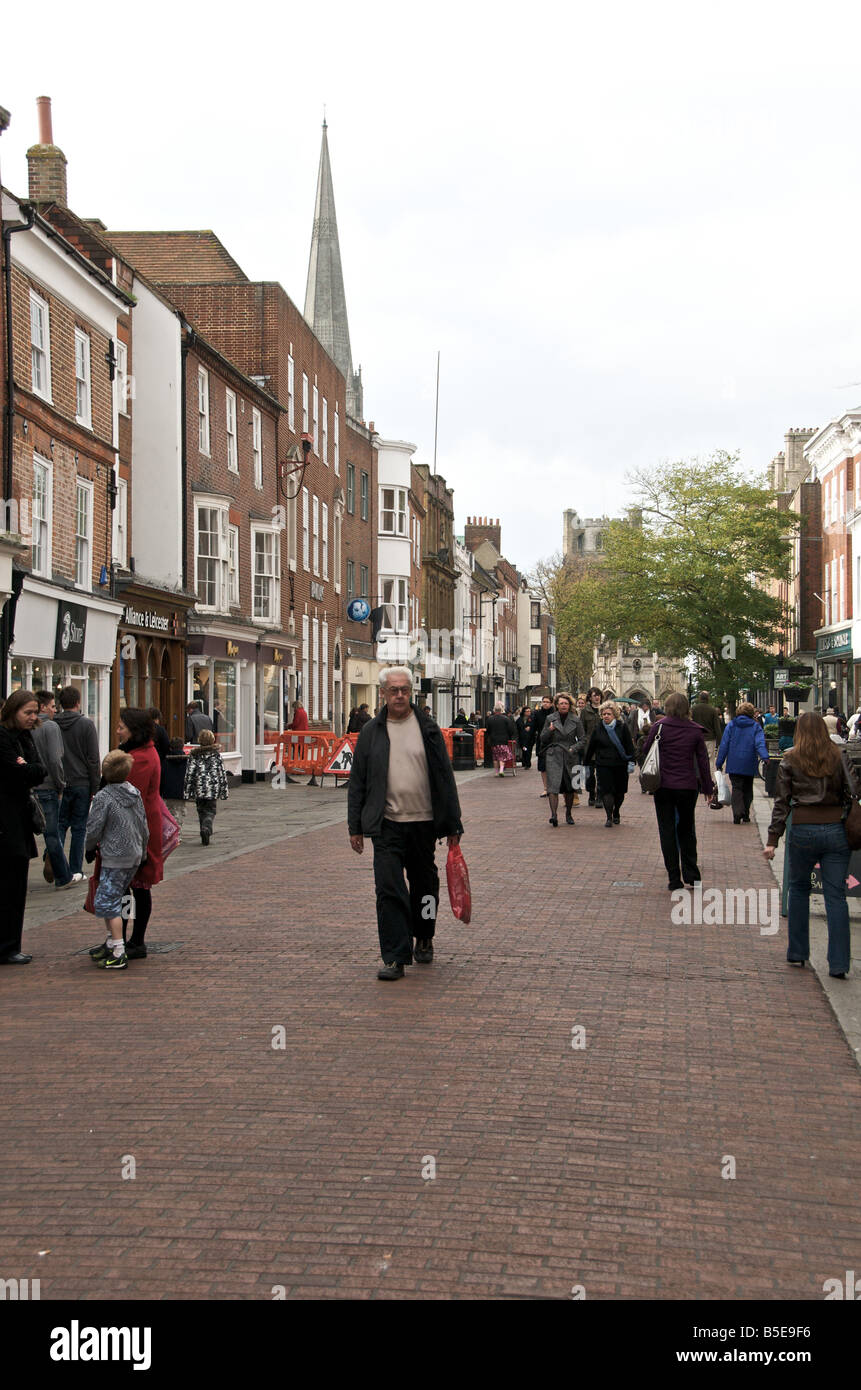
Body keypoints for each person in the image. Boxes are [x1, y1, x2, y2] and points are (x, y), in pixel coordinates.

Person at [347, 666, 463, 980]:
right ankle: (395, 957)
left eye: (404, 690)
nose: (399, 695)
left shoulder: (427, 728)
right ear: (383, 693)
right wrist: (355, 826)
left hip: (424, 823)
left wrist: (453, 825)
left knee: (425, 887)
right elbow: (358, 782)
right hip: (386, 824)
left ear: (410, 692)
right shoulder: (372, 731)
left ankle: (425, 934)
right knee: (389, 889)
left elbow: (444, 778)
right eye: (393, 690)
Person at [763, 711, 859, 978]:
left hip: (803, 829)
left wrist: (773, 840)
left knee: (799, 889)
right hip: (836, 831)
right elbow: (855, 790)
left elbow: (781, 802)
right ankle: (839, 963)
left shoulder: (791, 757)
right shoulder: (839, 754)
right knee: (836, 897)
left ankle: (797, 951)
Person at [640, 692, 714, 890]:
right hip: (687, 787)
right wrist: (708, 788)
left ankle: (674, 878)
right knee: (687, 830)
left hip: (663, 786)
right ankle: (692, 874)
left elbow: (646, 750)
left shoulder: (659, 727)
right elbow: (703, 763)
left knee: (667, 830)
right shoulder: (695, 731)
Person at [86, 751, 150, 972]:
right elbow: (143, 824)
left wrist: (88, 847)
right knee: (123, 896)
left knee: (106, 901)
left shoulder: (103, 797)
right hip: (133, 854)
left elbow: (94, 826)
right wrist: (142, 851)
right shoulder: (134, 793)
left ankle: (118, 950)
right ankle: (114, 940)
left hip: (114, 855)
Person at [116, 708, 164, 960]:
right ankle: (125, 938)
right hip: (138, 828)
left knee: (133, 888)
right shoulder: (137, 753)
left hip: (136, 830)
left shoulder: (140, 758)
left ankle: (132, 940)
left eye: (122, 726)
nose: (118, 730)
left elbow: (129, 798)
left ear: (134, 729)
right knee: (134, 887)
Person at [0, 690, 44, 964]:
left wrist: (27, 768)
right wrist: (26, 768)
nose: (32, 717)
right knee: (6, 884)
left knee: (17, 884)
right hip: (5, 823)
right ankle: (5, 946)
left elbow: (39, 769)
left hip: (20, 820)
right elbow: (17, 772)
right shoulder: (3, 738)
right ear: (13, 711)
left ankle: (12, 944)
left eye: (35, 712)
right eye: (27, 712)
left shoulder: (25, 738)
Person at [31, 689, 78, 889]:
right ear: (42, 707)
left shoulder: (26, 727)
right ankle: (63, 876)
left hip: (29, 787)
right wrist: (60, 784)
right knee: (52, 834)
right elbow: (55, 759)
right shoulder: (50, 727)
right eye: (52, 706)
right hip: (48, 786)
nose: (54, 711)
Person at [55, 685, 100, 879]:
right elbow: (93, 759)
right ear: (78, 702)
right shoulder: (86, 725)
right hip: (81, 782)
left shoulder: (52, 723)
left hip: (59, 782)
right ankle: (75, 869)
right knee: (79, 827)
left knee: (59, 825)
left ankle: (56, 865)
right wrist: (95, 786)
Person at [583, 700, 636, 827]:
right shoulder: (598, 729)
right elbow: (591, 747)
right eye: (604, 714)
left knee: (620, 792)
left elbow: (629, 746)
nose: (606, 716)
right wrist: (586, 763)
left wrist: (631, 762)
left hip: (620, 765)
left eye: (608, 714)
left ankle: (616, 811)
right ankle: (609, 817)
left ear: (615, 715)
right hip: (603, 764)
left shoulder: (622, 728)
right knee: (606, 791)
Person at [716, 701, 769, 824]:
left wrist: (719, 762)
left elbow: (724, 745)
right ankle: (745, 813)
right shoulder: (756, 726)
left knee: (737, 788)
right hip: (749, 761)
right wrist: (765, 757)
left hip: (734, 762)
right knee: (747, 788)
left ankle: (737, 813)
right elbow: (760, 743)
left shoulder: (732, 725)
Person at [539, 692, 585, 827]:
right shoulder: (550, 718)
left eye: (566, 703)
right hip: (554, 755)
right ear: (557, 705)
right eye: (561, 704)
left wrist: (574, 748)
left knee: (570, 787)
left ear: (569, 705)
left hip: (570, 756)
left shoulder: (575, 719)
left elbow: (583, 739)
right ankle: (553, 815)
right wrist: (550, 729)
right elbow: (542, 738)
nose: (563, 706)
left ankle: (569, 813)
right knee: (553, 787)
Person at [183, 728, 229, 845]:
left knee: (201, 810)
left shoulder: (194, 755)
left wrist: (187, 791)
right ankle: (206, 827)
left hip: (199, 788)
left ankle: (203, 830)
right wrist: (224, 792)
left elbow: (189, 773)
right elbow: (222, 774)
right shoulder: (216, 756)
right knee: (210, 811)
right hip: (212, 789)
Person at [690, 690, 723, 807]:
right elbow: (717, 727)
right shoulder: (712, 710)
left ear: (699, 698)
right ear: (708, 698)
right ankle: (709, 782)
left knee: (697, 760)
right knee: (710, 761)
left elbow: (691, 722)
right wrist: (719, 741)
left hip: (696, 738)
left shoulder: (694, 709)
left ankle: (698, 780)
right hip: (709, 738)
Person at [580, 687, 604, 807]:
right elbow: (581, 730)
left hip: (603, 746)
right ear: (590, 697)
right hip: (589, 747)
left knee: (601, 773)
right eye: (594, 695)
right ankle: (591, 794)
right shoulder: (585, 711)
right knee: (589, 773)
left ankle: (600, 796)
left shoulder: (605, 709)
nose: (597, 697)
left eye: (598, 695)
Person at [531, 694, 554, 797]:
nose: (545, 703)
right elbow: (533, 728)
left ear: (552, 703)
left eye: (547, 702)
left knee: (553, 767)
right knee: (543, 767)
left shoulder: (555, 713)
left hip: (554, 742)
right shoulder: (537, 714)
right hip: (542, 743)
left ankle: (553, 787)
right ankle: (546, 788)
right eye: (543, 701)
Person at [485, 703, 517, 776]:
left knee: (495, 756)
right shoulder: (506, 719)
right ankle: (501, 770)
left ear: (494, 710)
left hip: (493, 740)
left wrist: (489, 737)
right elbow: (511, 730)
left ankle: (496, 772)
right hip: (503, 740)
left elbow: (488, 730)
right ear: (502, 710)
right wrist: (510, 736)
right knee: (502, 755)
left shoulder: (490, 719)